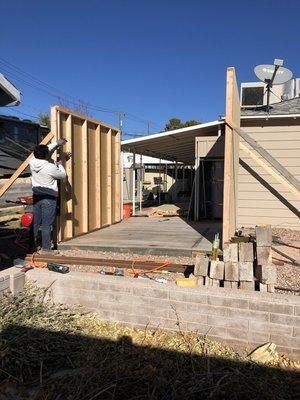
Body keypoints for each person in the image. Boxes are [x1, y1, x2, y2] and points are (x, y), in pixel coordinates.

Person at [29, 139, 68, 253]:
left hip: (37, 196)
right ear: (46, 155)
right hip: (49, 198)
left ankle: (32, 246)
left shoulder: (32, 162)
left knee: (36, 222)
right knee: (46, 224)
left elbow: (46, 149)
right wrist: (60, 165)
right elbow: (63, 175)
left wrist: (56, 143)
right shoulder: (50, 167)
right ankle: (46, 249)